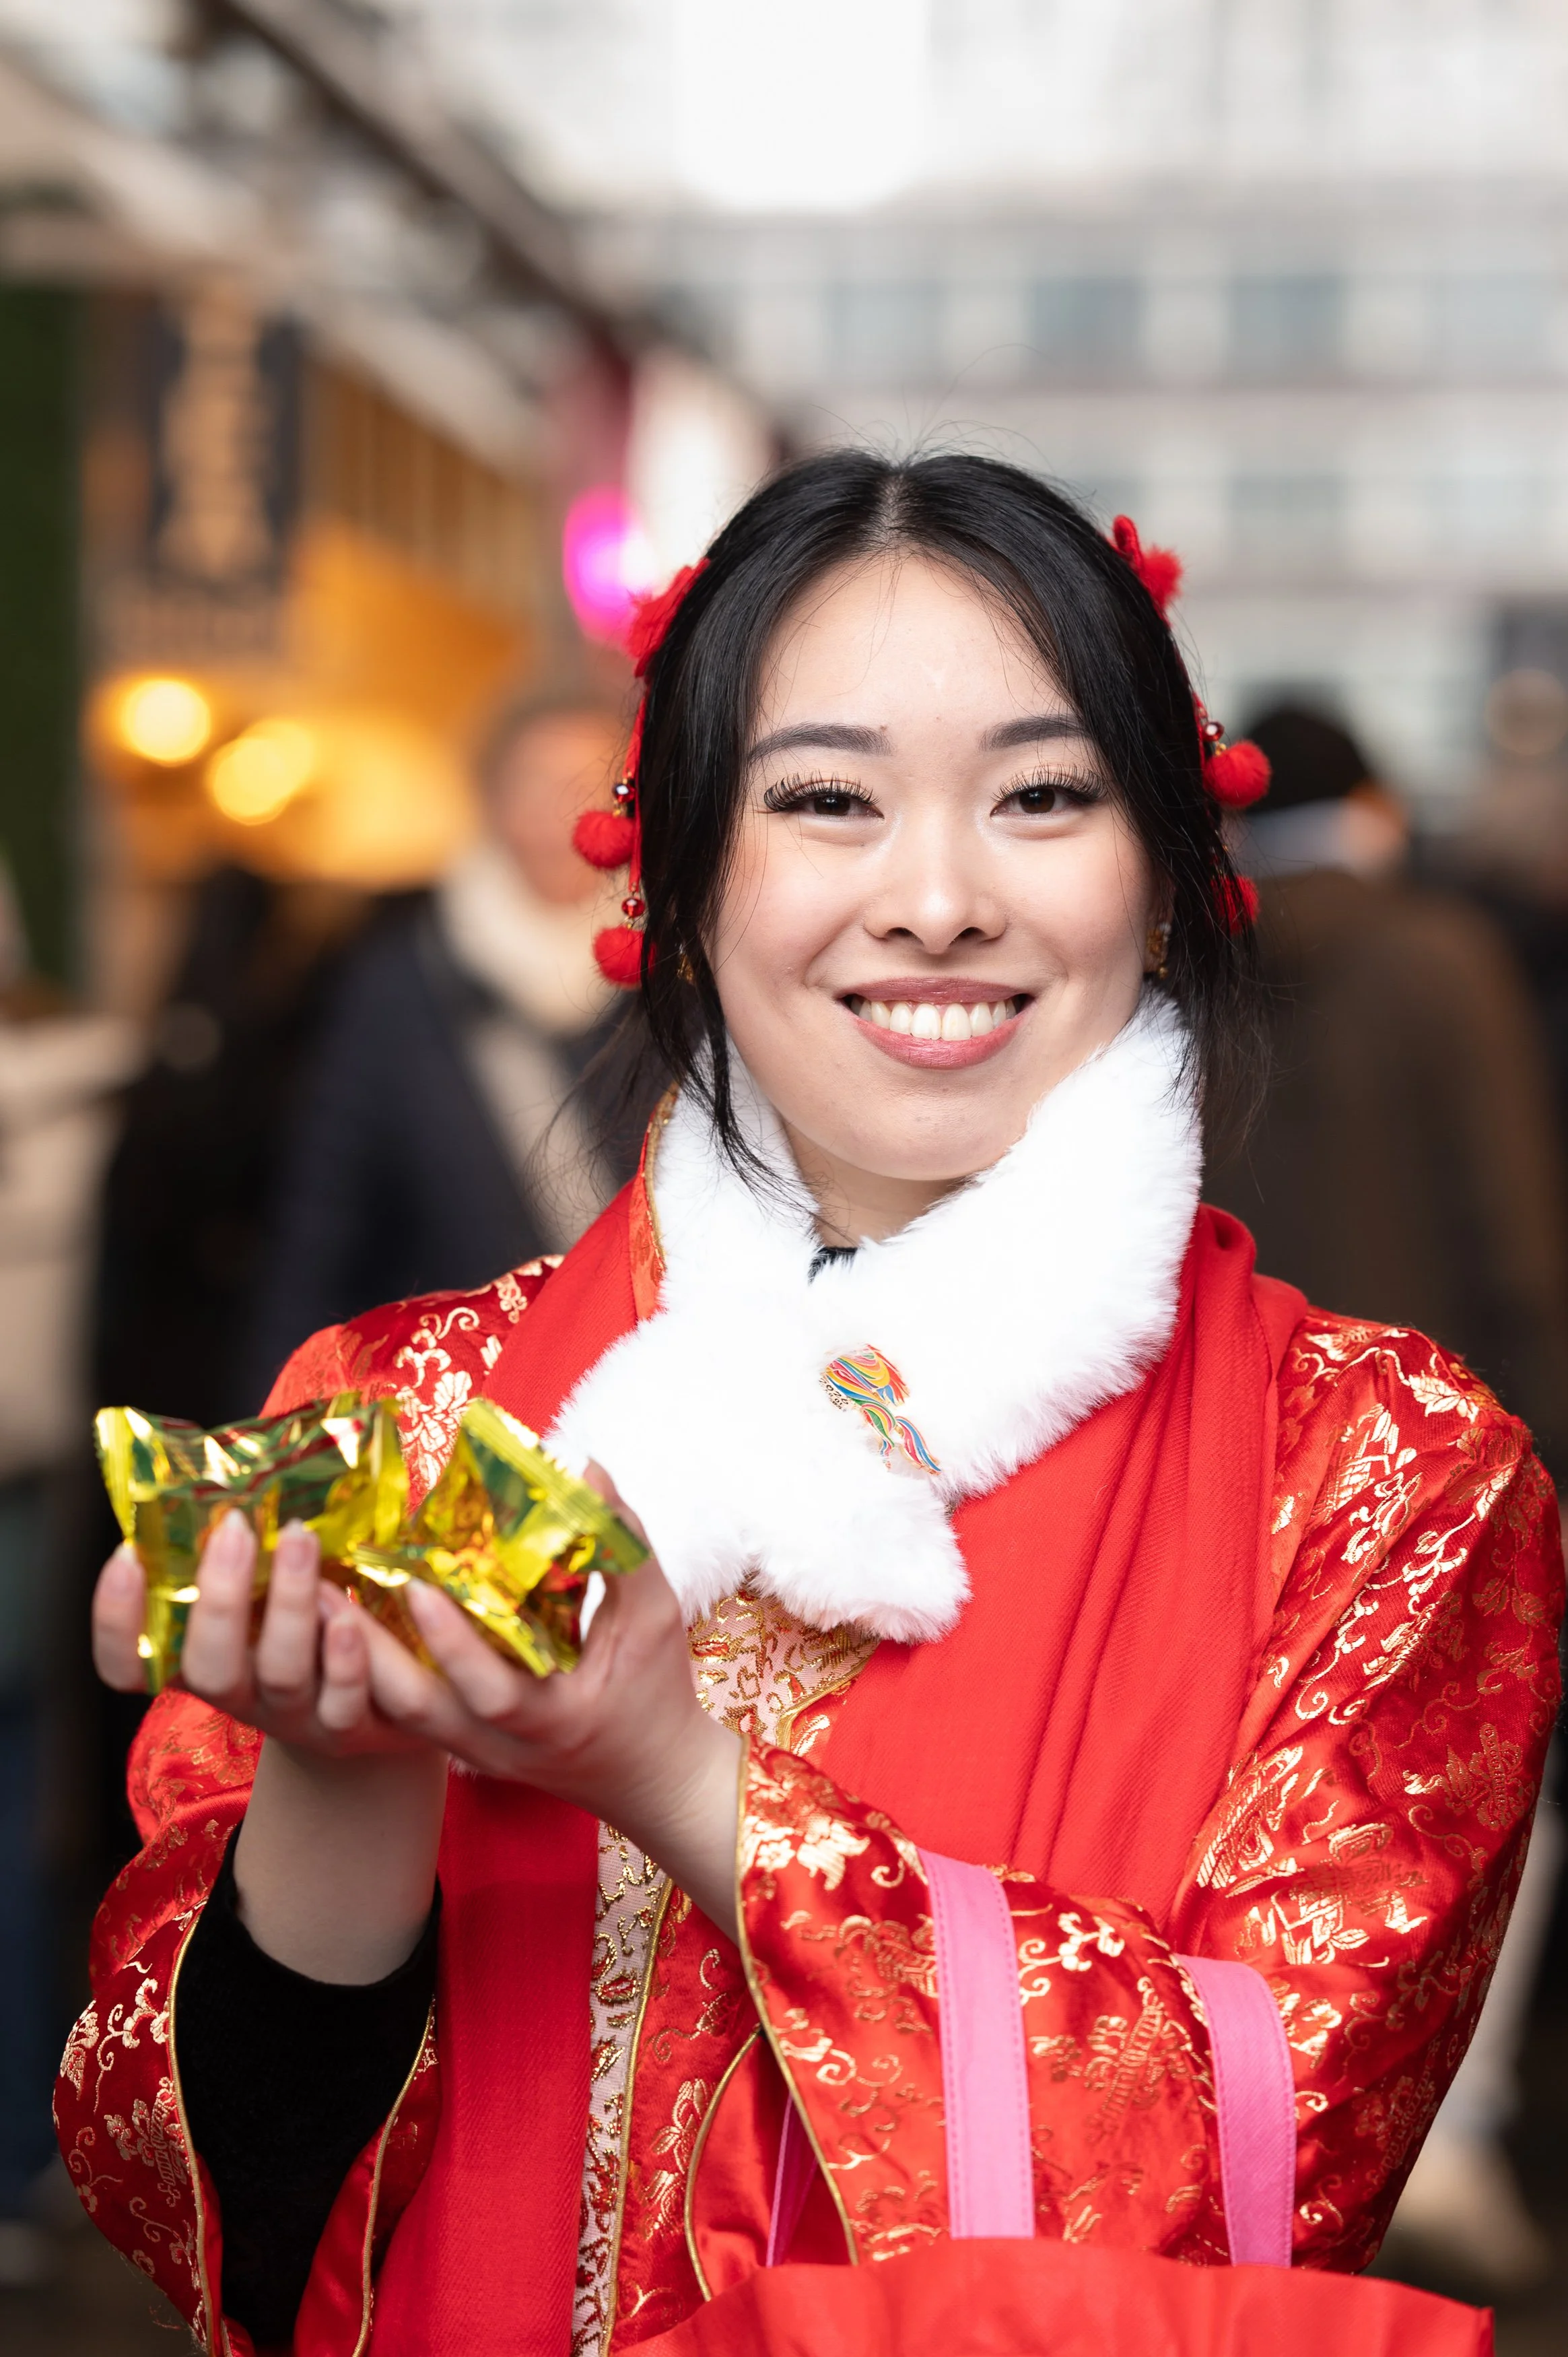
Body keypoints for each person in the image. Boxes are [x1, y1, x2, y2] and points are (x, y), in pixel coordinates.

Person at [63, 457, 1562, 2356]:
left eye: (1041, 796)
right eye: (827, 801)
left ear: (1173, 879)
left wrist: (671, 1769)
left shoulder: (1385, 1480)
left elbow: (1251, 2185)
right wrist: (345, 1764)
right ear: (679, 879)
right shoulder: (404, 1415)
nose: (933, 899)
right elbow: (188, 2217)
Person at [1206, 704, 1568, 2295]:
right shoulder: (1439, 962)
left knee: (1240, 1817)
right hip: (1423, 1485)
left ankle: (1244, 2162)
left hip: (1221, 1479)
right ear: (1360, 803)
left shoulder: (1178, 984)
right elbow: (1513, 1244)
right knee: (1462, 1814)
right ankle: (1436, 2145)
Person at [245, 691, 636, 1397]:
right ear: (489, 802)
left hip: (638, 1402)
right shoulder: (399, 986)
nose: (569, 818)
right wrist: (278, 1440)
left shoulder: (679, 982)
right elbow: (321, 1229)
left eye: (597, 789)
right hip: (449, 1413)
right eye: (539, 787)